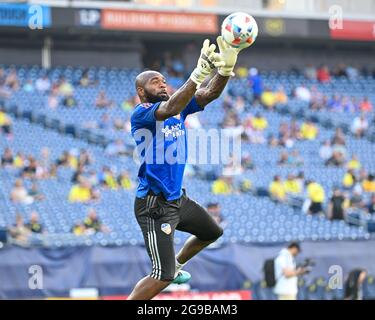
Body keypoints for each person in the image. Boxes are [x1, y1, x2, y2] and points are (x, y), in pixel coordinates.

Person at [128, 36, 248, 300]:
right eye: (154, 81)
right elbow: (171, 106)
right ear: (141, 91)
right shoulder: (142, 112)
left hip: (175, 199)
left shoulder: (178, 107)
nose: (161, 83)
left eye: (163, 80)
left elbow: (210, 93)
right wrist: (199, 72)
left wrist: (225, 70)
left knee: (211, 232)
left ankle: (178, 263)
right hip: (154, 205)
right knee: (162, 276)